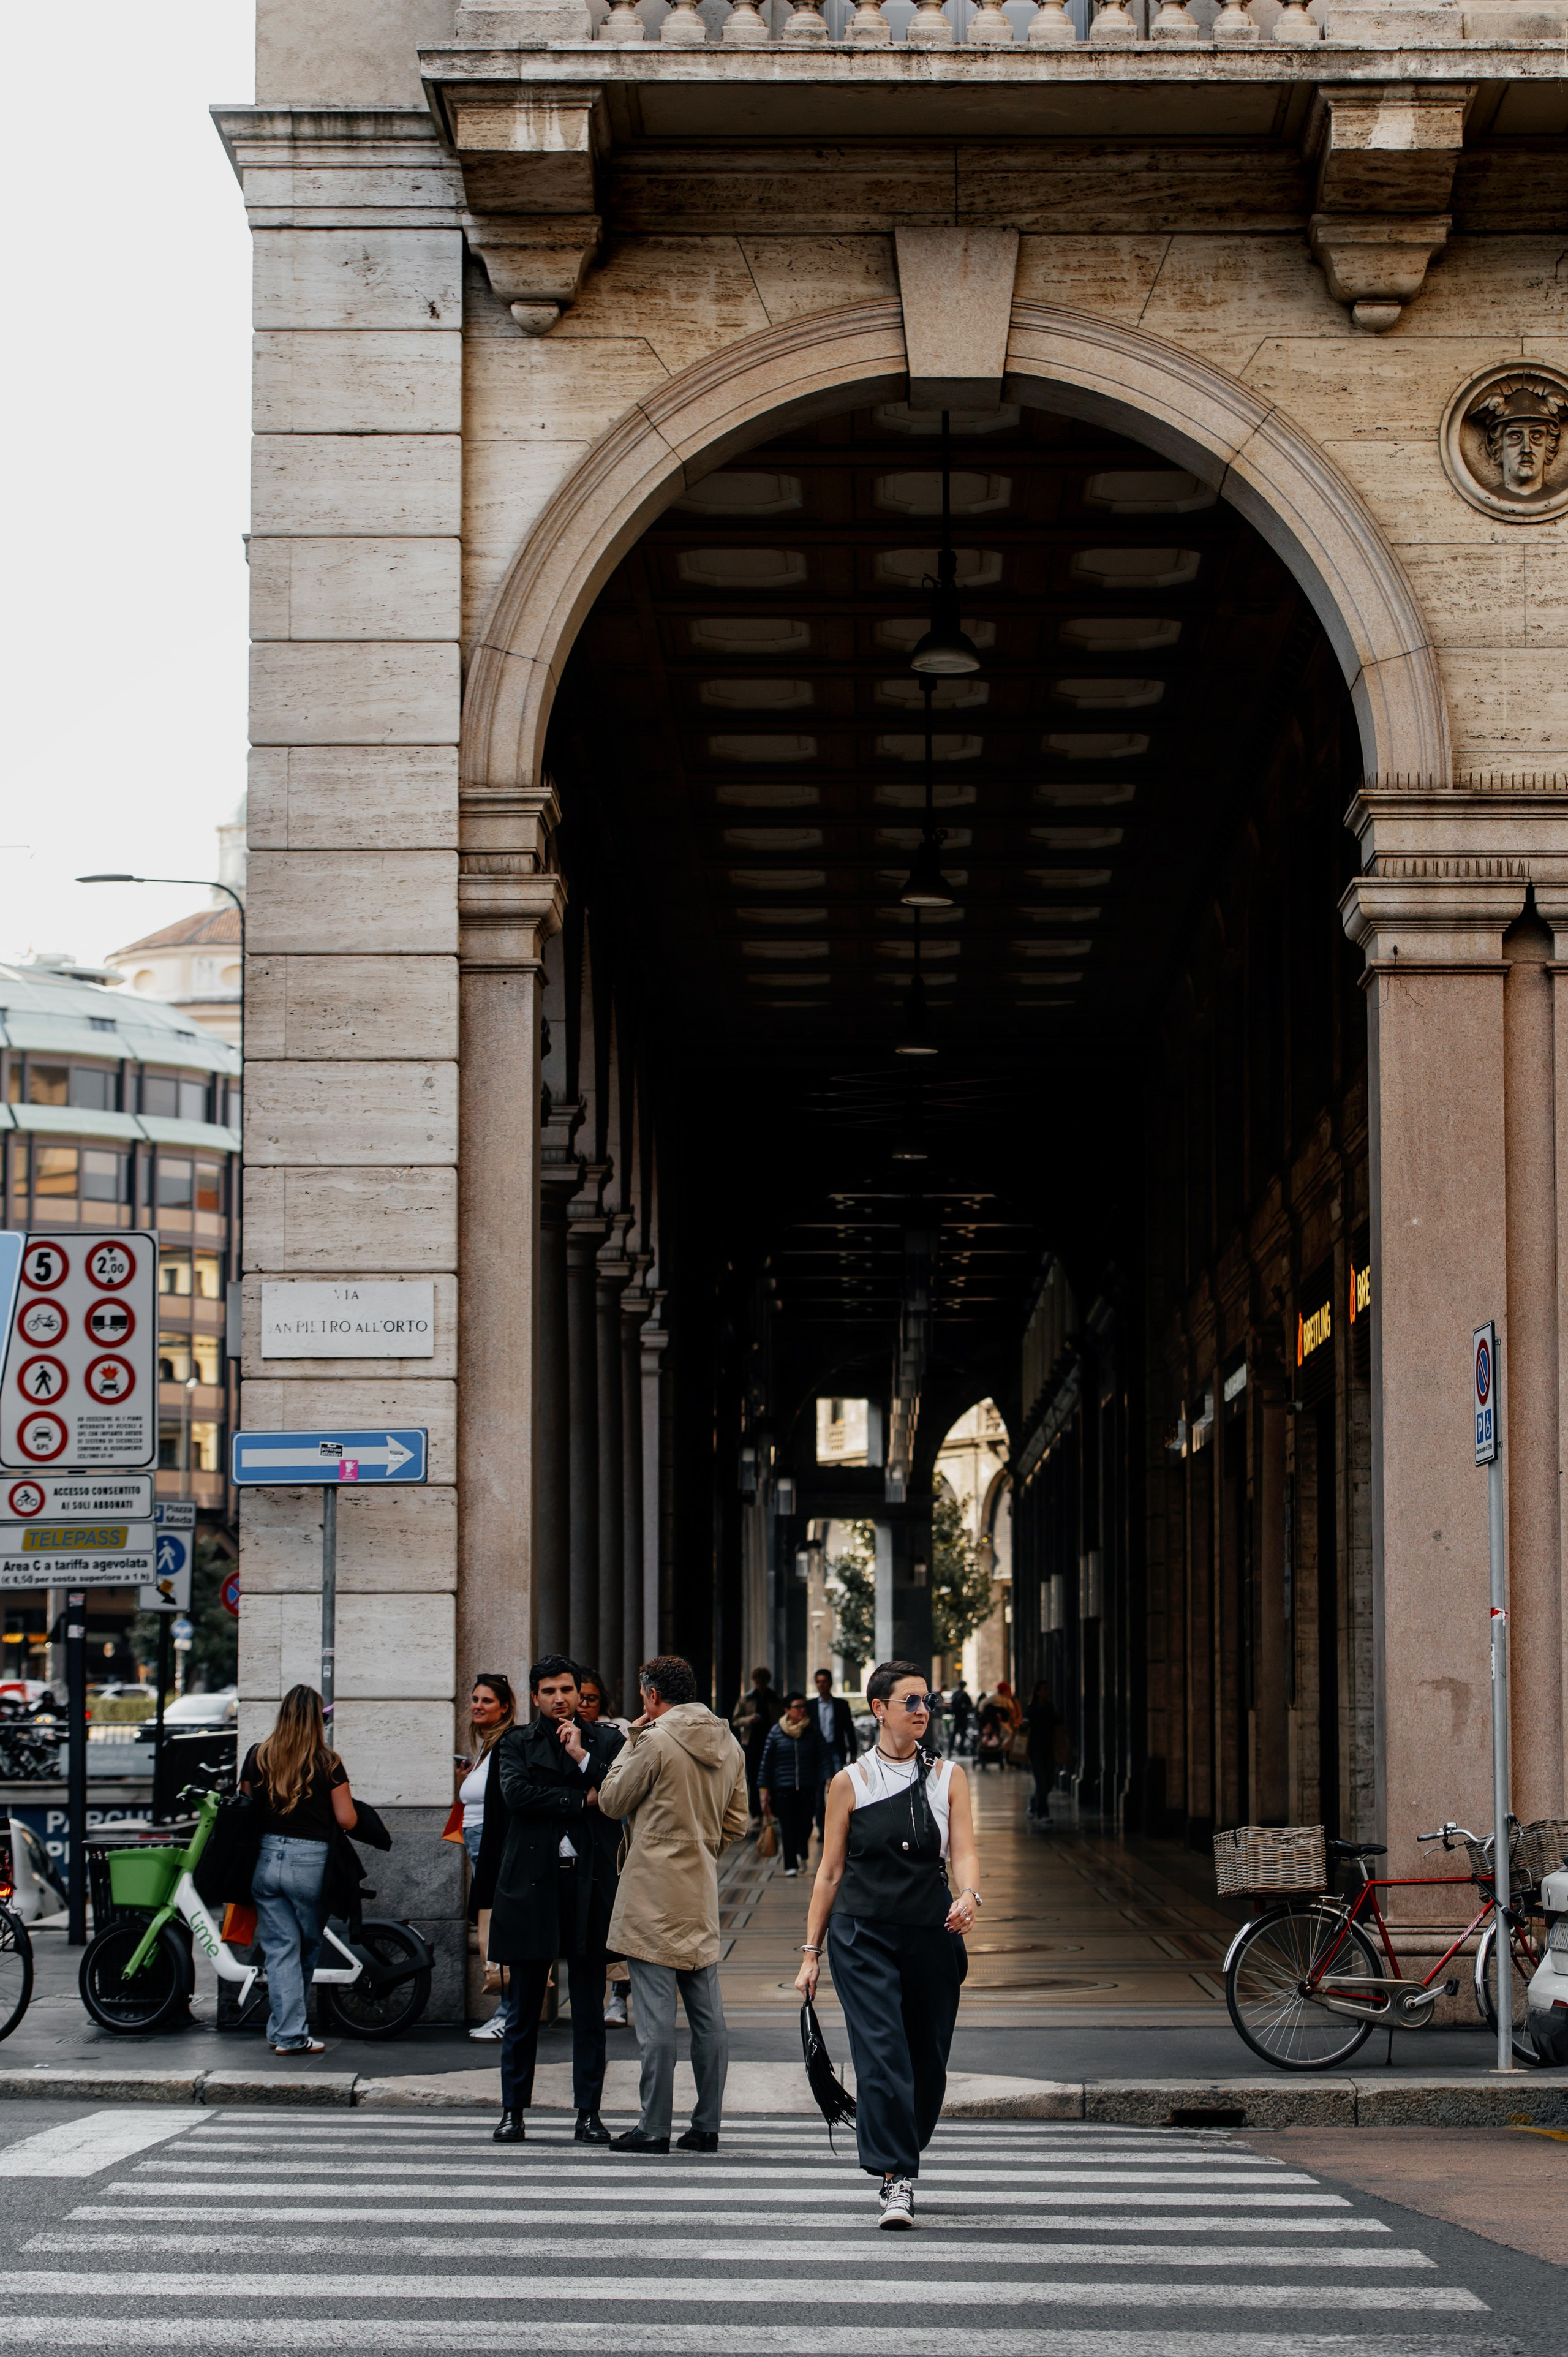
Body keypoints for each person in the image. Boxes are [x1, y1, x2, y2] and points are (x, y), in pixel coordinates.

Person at [796, 1660, 981, 2230]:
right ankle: (894, 2177)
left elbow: (965, 1852)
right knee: (883, 2055)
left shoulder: (949, 1777)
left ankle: (903, 2149)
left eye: (928, 1702)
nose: (923, 1711)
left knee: (928, 2064)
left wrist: (970, 1894)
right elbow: (828, 1873)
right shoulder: (849, 1782)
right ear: (879, 1709)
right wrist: (811, 1953)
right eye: (911, 1702)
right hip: (862, 1935)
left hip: (932, 1933)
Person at [596, 1654, 748, 2154]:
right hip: (699, 1889)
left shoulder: (655, 1741)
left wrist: (630, 1739)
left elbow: (612, 1800)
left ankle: (654, 2126)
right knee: (708, 2017)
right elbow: (737, 1823)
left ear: (652, 1696)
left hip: (651, 1892)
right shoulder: (728, 1743)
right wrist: (701, 1850)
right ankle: (707, 2125)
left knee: (657, 2019)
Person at [488, 1656, 625, 2146]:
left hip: (588, 1884)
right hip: (532, 1884)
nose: (560, 1699)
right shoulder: (516, 1743)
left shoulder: (606, 1740)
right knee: (523, 2009)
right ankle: (513, 2111)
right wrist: (578, 1799)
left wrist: (581, 1761)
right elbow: (517, 1795)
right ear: (535, 1697)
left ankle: (588, 2113)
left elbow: (616, 1792)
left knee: (589, 2011)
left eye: (567, 1689)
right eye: (549, 1691)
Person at [240, 1684, 358, 2056]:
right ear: (316, 1719)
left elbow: (243, 1806)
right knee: (304, 1947)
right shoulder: (328, 1762)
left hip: (265, 1858)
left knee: (280, 1949)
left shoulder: (258, 1756)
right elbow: (347, 1819)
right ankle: (290, 2034)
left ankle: (286, 2032)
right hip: (310, 1864)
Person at [458, 1672, 518, 2043]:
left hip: (492, 1844)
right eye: (475, 1699)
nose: (478, 1706)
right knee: (493, 1927)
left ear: (505, 1708)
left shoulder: (506, 1744)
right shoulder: (485, 1747)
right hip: (478, 1841)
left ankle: (508, 2013)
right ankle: (508, 2012)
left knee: (500, 1929)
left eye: (487, 1701)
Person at [578, 1669, 633, 2028]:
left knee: (615, 1917)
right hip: (578, 1839)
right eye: (578, 1697)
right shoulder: (558, 1736)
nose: (583, 1704)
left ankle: (619, 1997)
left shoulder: (617, 1733)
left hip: (613, 1837)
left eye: (591, 1698)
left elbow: (616, 1785)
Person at [758, 1691, 827, 1876]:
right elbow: (767, 1762)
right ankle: (790, 1865)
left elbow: (823, 1757)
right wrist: (764, 1789)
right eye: (798, 1707)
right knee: (788, 1827)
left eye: (804, 1706)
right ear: (787, 1710)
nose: (802, 1710)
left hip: (807, 1787)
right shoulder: (776, 1732)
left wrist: (828, 1778)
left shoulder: (812, 1731)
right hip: (783, 1789)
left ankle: (802, 1852)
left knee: (806, 1825)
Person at [810, 1667, 858, 1837]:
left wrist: (853, 1753)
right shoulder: (811, 1706)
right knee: (817, 1793)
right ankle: (823, 1830)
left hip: (835, 1750)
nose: (822, 1685)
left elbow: (849, 1730)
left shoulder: (841, 1705)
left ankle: (837, 1827)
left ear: (830, 1683)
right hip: (817, 1754)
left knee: (838, 1789)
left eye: (824, 1681)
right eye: (819, 1682)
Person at [732, 1665, 782, 1824]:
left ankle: (772, 1811)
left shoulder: (774, 1698)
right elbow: (735, 1720)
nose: (760, 1685)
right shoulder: (746, 1699)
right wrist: (749, 1720)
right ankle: (756, 1814)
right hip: (752, 1742)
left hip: (771, 1741)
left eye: (763, 1682)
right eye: (758, 1682)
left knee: (772, 1777)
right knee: (753, 1779)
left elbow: (780, 1718)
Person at [1025, 1678, 1057, 1823]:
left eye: (1048, 1689)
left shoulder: (1050, 1708)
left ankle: (1033, 1803)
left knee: (1050, 1782)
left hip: (1049, 1749)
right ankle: (1044, 1813)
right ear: (1038, 1692)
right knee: (1042, 1782)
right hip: (1035, 1750)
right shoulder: (1032, 1709)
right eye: (1044, 1689)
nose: (1047, 1692)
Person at [947, 1676, 972, 1758]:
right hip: (963, 1717)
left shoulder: (955, 1694)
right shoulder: (964, 1694)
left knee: (954, 1733)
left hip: (956, 1717)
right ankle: (961, 1750)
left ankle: (950, 1750)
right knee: (963, 1734)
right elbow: (970, 1705)